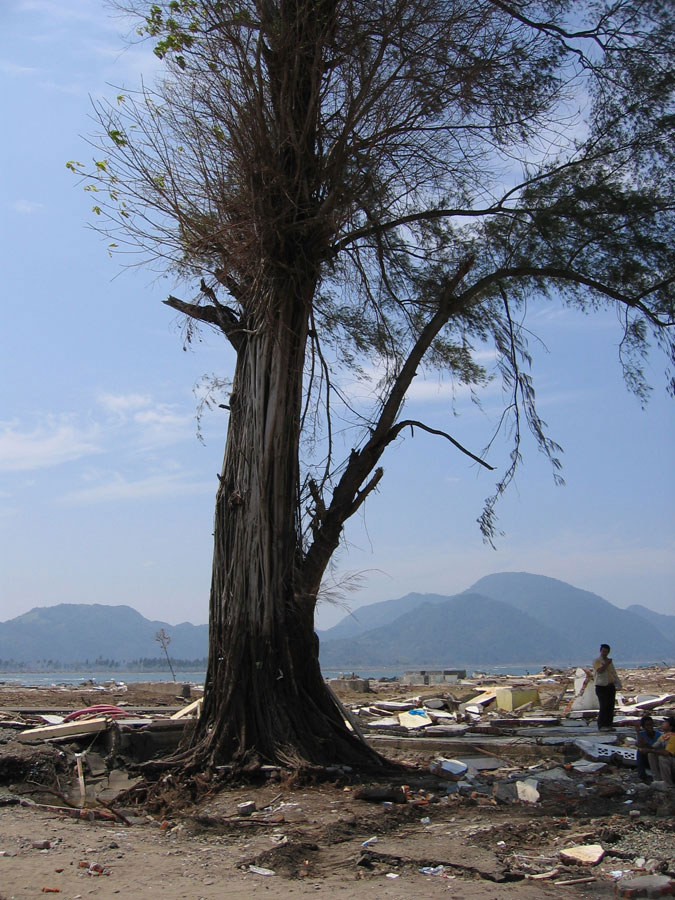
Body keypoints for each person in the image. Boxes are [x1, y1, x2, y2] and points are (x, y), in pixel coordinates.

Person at [593, 643, 620, 731]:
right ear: (601, 651)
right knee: (603, 706)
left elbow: (613, 673)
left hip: (610, 686)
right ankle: (602, 725)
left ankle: (608, 724)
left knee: (610, 706)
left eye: (606, 651)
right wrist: (606, 663)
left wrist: (618, 683)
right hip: (601, 686)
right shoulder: (597, 661)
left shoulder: (610, 662)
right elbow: (600, 671)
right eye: (603, 651)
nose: (605, 653)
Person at [648, 716, 675, 787]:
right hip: (671, 761)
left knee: (663, 758)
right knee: (651, 754)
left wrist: (650, 749)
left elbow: (667, 753)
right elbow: (653, 747)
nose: (663, 724)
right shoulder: (664, 736)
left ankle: (668, 783)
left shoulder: (673, 737)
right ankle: (657, 779)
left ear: (670, 727)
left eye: (665, 723)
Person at [636, 714, 662, 779]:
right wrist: (638, 732)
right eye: (647, 725)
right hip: (646, 758)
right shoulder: (641, 734)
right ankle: (641, 775)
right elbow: (639, 745)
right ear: (643, 727)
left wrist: (647, 744)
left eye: (651, 725)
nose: (649, 727)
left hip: (657, 757)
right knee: (639, 752)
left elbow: (657, 749)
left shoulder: (659, 734)